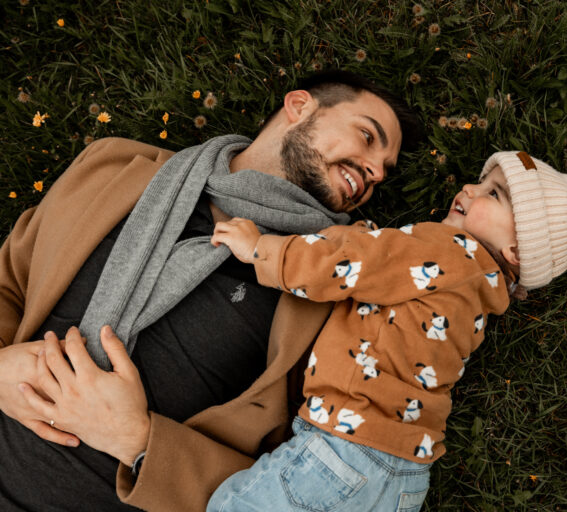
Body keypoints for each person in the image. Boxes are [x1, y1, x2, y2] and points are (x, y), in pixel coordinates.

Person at [0, 70, 422, 511]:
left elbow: (299, 475)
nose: (374, 172)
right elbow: (9, 282)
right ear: (299, 107)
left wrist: (138, 441)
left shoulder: (330, 291)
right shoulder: (113, 166)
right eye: (367, 136)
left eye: (382, 173)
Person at [204, 151, 567, 511]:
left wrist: (262, 249)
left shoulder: (450, 247)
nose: (470, 188)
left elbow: (353, 264)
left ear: (518, 250)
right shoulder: (484, 297)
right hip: (407, 477)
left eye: (494, 194)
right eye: (483, 181)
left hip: (346, 442)